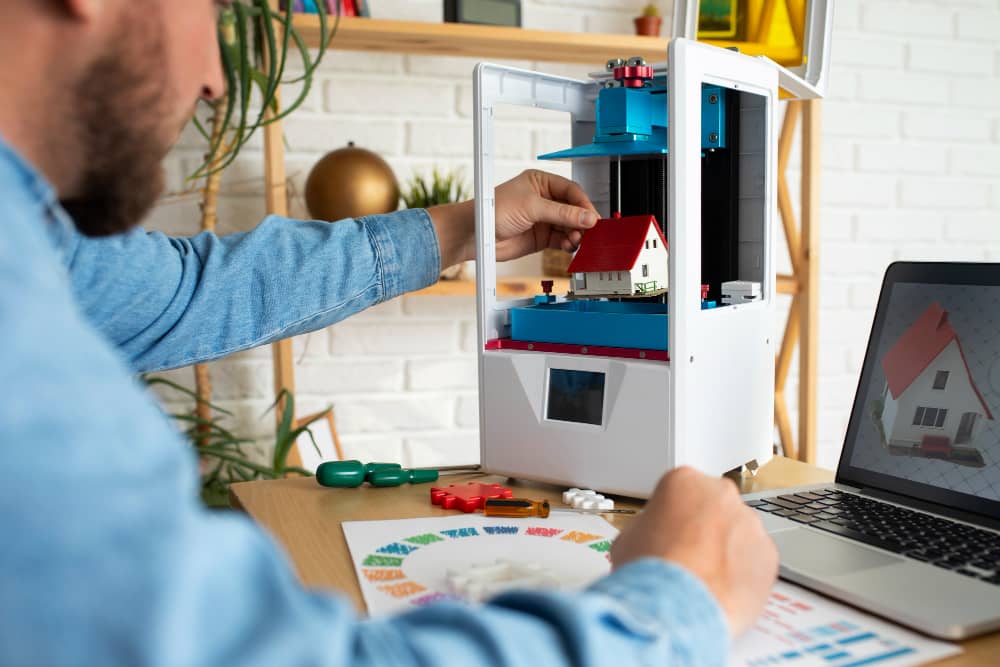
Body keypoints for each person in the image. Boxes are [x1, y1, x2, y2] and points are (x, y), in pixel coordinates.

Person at [0, 1, 779, 664]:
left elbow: (181, 291)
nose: (214, 78)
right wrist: (674, 607)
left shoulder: (33, 242)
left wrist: (460, 229)